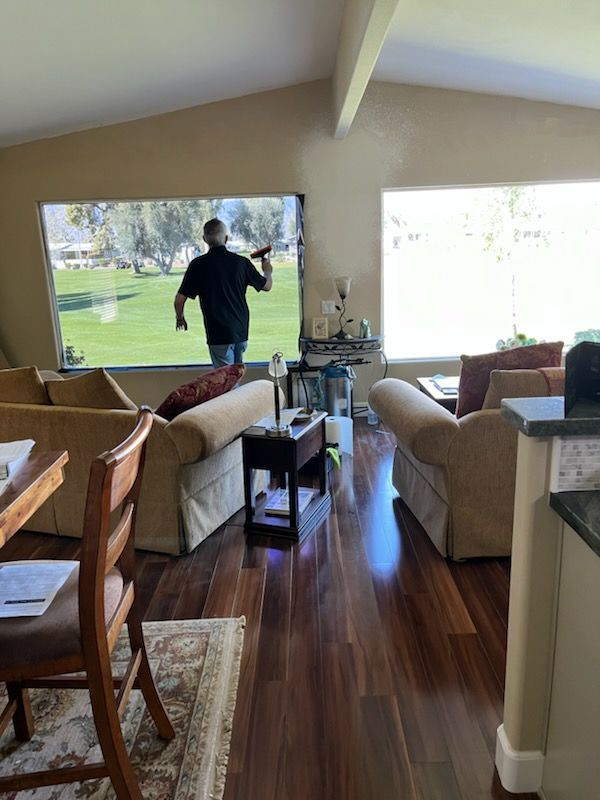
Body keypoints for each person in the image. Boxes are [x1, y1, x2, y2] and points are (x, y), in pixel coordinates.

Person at [174, 218, 273, 366]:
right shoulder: (241, 263)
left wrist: (180, 317)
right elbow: (267, 286)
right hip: (240, 331)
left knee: (224, 381)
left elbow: (179, 300)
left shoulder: (198, 265)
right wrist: (267, 271)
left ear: (204, 239)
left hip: (217, 334)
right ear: (226, 238)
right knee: (236, 375)